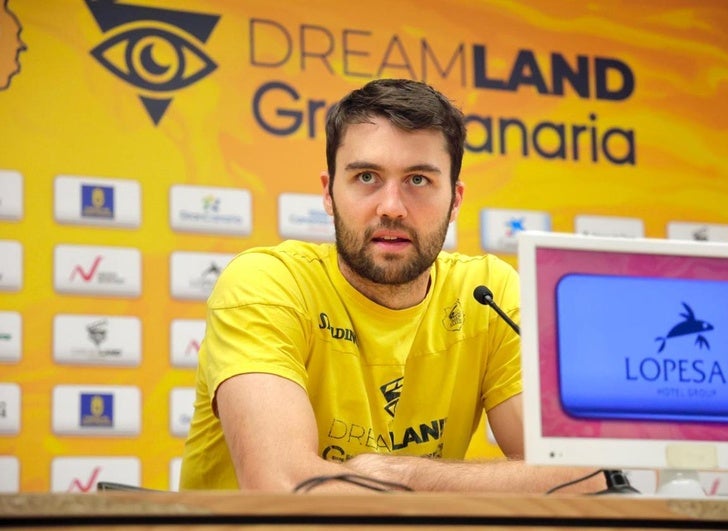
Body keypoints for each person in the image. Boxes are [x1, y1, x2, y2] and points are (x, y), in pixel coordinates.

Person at [179, 78, 604, 493]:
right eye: (366, 177)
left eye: (418, 180)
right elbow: (286, 487)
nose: (392, 208)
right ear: (329, 194)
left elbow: (582, 476)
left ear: (455, 200)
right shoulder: (267, 284)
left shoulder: (488, 291)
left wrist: (404, 475)